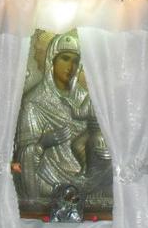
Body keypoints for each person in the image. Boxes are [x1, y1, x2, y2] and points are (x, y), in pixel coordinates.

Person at [13, 33, 93, 204]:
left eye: (75, 61)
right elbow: (23, 158)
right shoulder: (33, 102)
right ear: (51, 60)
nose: (70, 66)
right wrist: (42, 144)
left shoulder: (85, 99)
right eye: (65, 58)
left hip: (87, 182)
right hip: (49, 181)